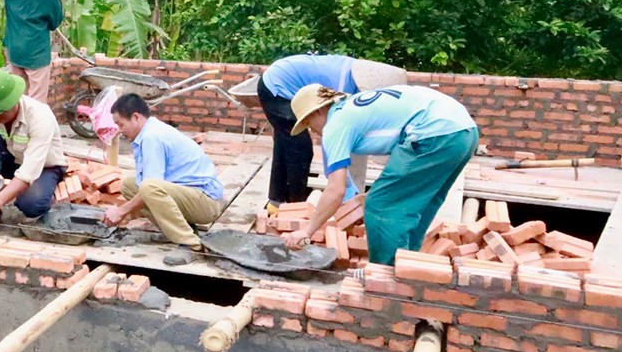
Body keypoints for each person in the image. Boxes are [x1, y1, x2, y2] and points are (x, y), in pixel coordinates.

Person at [280, 84, 478, 266]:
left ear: (319, 111)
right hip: (464, 131)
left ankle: (385, 276)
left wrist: (307, 230)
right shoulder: (352, 108)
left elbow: (335, 189)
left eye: (308, 123)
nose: (312, 131)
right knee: (418, 204)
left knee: (381, 205)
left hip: (434, 134)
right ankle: (408, 265)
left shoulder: (335, 125)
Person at [256, 54, 406, 207]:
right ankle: (295, 208)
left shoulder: (358, 82)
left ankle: (276, 202)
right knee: (300, 149)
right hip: (277, 87)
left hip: (282, 78)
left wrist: (356, 192)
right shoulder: (341, 89)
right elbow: (332, 139)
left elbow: (356, 137)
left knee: (286, 145)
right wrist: (343, 190)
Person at [102, 94, 224, 262]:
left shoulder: (152, 137)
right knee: (129, 185)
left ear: (136, 117)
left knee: (149, 187)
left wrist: (121, 211)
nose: (120, 130)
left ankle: (191, 245)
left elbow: (150, 186)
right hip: (191, 195)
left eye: (121, 124)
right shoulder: (150, 131)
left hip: (206, 202)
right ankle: (174, 231)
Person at [0, 69, 68, 233]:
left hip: (44, 168)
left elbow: (28, 172)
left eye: (0, 113)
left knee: (31, 205)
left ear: (15, 102)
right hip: (13, 160)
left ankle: (46, 192)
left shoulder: (40, 116)